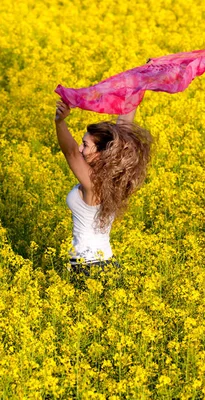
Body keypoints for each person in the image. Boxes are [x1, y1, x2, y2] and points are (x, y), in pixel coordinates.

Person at [54, 100, 153, 277]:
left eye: (85, 144)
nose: (80, 147)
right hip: (104, 263)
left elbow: (70, 152)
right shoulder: (114, 179)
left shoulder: (93, 184)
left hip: (89, 268)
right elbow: (122, 131)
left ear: (101, 153)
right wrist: (134, 95)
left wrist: (60, 122)